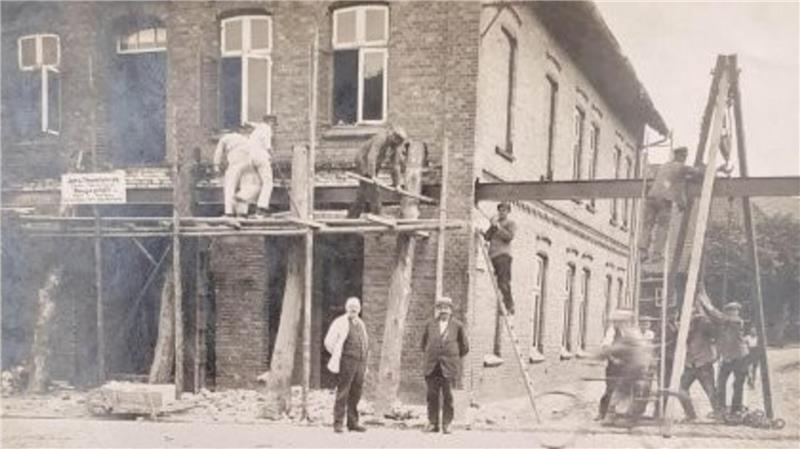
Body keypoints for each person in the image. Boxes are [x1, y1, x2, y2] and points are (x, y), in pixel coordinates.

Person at [638, 147, 704, 268]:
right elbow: (698, 173)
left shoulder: (664, 166)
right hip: (664, 200)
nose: (685, 159)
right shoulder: (681, 167)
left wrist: (681, 202)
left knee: (647, 225)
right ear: (681, 156)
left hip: (651, 197)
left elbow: (677, 184)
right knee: (663, 227)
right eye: (684, 156)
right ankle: (657, 254)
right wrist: (705, 168)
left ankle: (643, 251)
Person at [421, 296, 469, 434]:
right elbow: (423, 344)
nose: (444, 311)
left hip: (449, 367)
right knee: (432, 396)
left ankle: (447, 424)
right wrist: (432, 355)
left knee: (448, 396)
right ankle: (433, 423)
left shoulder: (457, 326)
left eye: (446, 309)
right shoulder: (429, 324)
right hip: (432, 367)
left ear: (451, 310)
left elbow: (464, 347)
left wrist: (452, 357)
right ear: (437, 310)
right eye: (441, 308)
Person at [697, 291, 749, 414]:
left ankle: (736, 409)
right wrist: (704, 300)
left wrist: (707, 305)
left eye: (734, 311)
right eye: (729, 311)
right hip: (727, 358)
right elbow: (713, 318)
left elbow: (718, 316)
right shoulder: (723, 325)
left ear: (737, 312)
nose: (732, 313)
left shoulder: (737, 322)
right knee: (721, 383)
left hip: (740, 357)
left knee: (738, 384)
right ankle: (721, 408)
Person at [596, 310, 651, 423]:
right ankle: (605, 413)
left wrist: (596, 356)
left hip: (632, 367)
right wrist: (612, 358)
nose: (615, 323)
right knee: (612, 389)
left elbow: (618, 347)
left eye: (617, 321)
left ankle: (614, 417)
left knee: (621, 392)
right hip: (619, 365)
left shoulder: (631, 333)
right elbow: (607, 347)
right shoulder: (614, 331)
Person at [324, 297, 369, 433]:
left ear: (359, 308)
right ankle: (338, 423)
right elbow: (329, 342)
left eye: (356, 306)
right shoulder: (340, 322)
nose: (353, 309)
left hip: (360, 362)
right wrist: (340, 355)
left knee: (356, 392)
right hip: (346, 362)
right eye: (350, 306)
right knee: (343, 392)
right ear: (346, 308)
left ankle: (353, 423)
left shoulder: (361, 324)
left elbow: (365, 343)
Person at [347, 125, 408, 218]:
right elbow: (371, 156)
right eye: (396, 141)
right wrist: (373, 176)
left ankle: (351, 216)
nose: (397, 145)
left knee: (363, 191)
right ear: (393, 136)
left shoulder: (395, 146)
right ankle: (378, 213)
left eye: (399, 143)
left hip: (375, 164)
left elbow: (395, 165)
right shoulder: (381, 138)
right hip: (363, 160)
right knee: (373, 187)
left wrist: (398, 184)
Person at [677, 307, 723, 422]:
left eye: (694, 315)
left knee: (710, 391)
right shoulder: (686, 329)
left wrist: (716, 354)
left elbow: (717, 333)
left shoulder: (704, 326)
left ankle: (718, 414)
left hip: (703, 364)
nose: (692, 318)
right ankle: (690, 414)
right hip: (690, 364)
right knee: (681, 389)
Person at [213, 123, 256, 217]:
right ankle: (243, 212)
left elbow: (218, 153)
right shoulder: (247, 139)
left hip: (235, 163)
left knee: (229, 187)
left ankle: (229, 212)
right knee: (246, 186)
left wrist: (216, 166)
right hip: (249, 163)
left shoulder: (226, 137)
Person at [484, 201, 517, 315]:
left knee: (504, 282)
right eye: (500, 210)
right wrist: (488, 228)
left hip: (503, 256)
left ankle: (509, 305)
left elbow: (509, 237)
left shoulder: (510, 223)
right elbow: (487, 237)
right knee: (499, 283)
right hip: (494, 256)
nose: (501, 212)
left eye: (504, 210)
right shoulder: (495, 224)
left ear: (508, 212)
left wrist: (498, 227)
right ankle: (504, 305)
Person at [247, 115, 277, 218]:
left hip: (251, 158)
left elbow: (250, 123)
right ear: (270, 121)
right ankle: (262, 208)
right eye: (273, 123)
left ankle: (252, 207)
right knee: (268, 183)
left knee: (257, 183)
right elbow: (268, 146)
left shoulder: (257, 129)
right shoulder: (267, 128)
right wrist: (273, 156)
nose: (273, 126)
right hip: (261, 158)